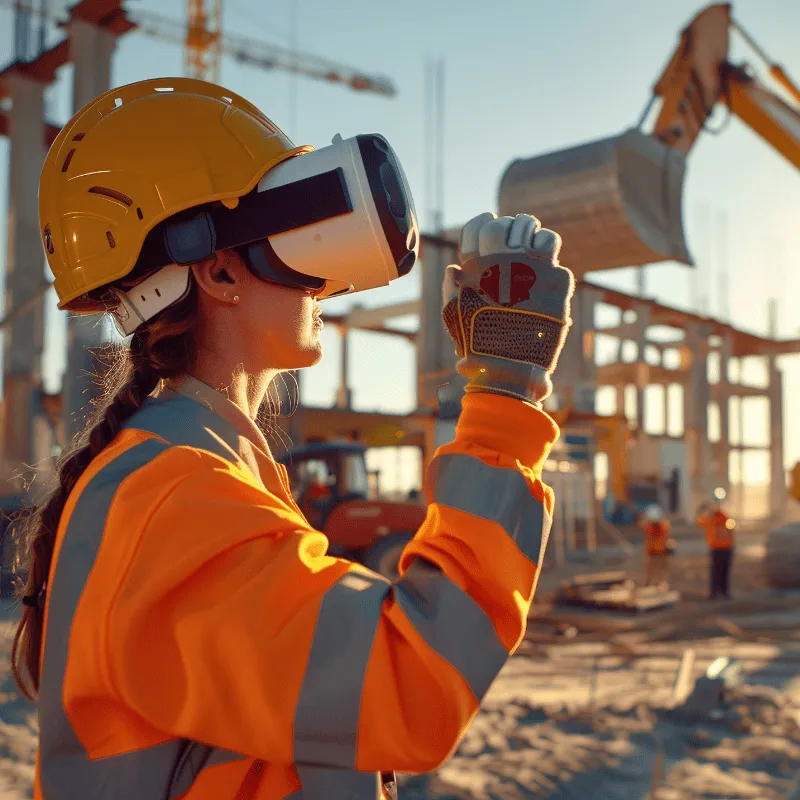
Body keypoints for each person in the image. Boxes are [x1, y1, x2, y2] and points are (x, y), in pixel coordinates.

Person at [11, 78, 575, 799]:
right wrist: (503, 394)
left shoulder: (196, 473)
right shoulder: (172, 496)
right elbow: (409, 686)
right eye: (293, 237)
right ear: (217, 269)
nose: (320, 277)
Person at [697, 488, 736, 599]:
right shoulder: (709, 519)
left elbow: (731, 528)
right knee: (716, 572)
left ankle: (724, 592)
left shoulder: (725, 518)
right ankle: (714, 592)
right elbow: (699, 521)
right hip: (716, 548)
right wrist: (702, 510)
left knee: (724, 572)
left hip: (726, 548)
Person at [641, 504, 671, 588]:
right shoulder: (649, 526)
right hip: (652, 552)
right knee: (650, 570)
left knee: (661, 570)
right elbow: (645, 528)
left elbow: (664, 530)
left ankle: (660, 584)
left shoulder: (663, 525)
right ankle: (648, 584)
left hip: (661, 551)